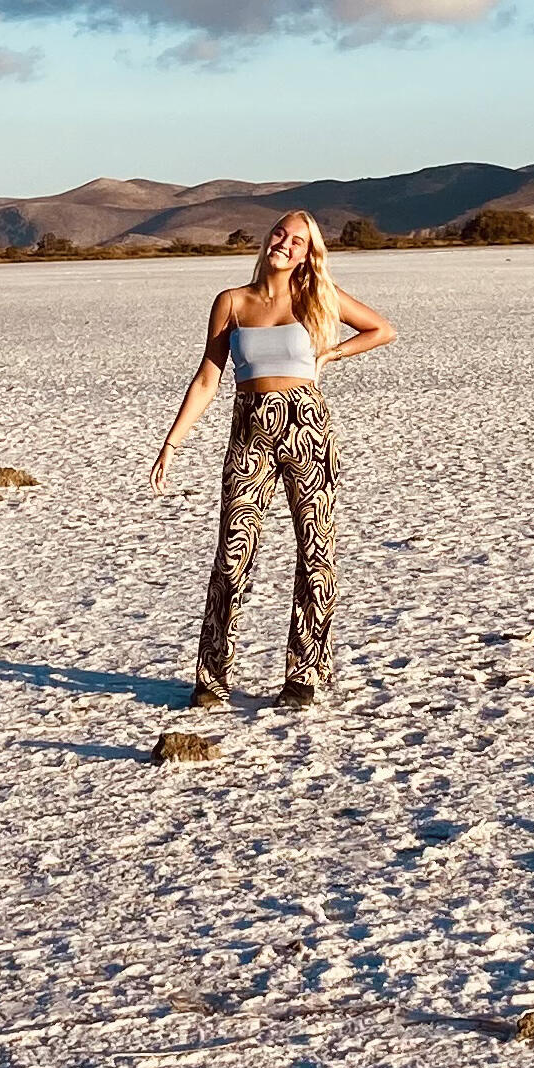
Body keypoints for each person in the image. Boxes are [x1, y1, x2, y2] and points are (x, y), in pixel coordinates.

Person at [148, 211, 396, 710]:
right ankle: (212, 678)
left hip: (308, 426)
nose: (285, 244)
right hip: (249, 429)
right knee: (233, 556)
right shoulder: (232, 301)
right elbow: (207, 378)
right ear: (267, 239)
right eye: (280, 234)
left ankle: (304, 676)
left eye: (298, 241)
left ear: (308, 252)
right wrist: (172, 443)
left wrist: (330, 356)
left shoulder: (317, 297)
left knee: (315, 553)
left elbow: (381, 329)